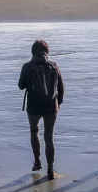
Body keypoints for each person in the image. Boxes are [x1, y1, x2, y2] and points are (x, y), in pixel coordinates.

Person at [18, 40, 65, 180]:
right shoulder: (54, 66)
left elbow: (21, 86)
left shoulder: (27, 66)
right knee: (49, 137)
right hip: (51, 106)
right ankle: (50, 170)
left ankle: (37, 162)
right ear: (47, 52)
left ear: (33, 52)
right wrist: (58, 103)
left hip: (33, 106)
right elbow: (61, 88)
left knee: (34, 131)